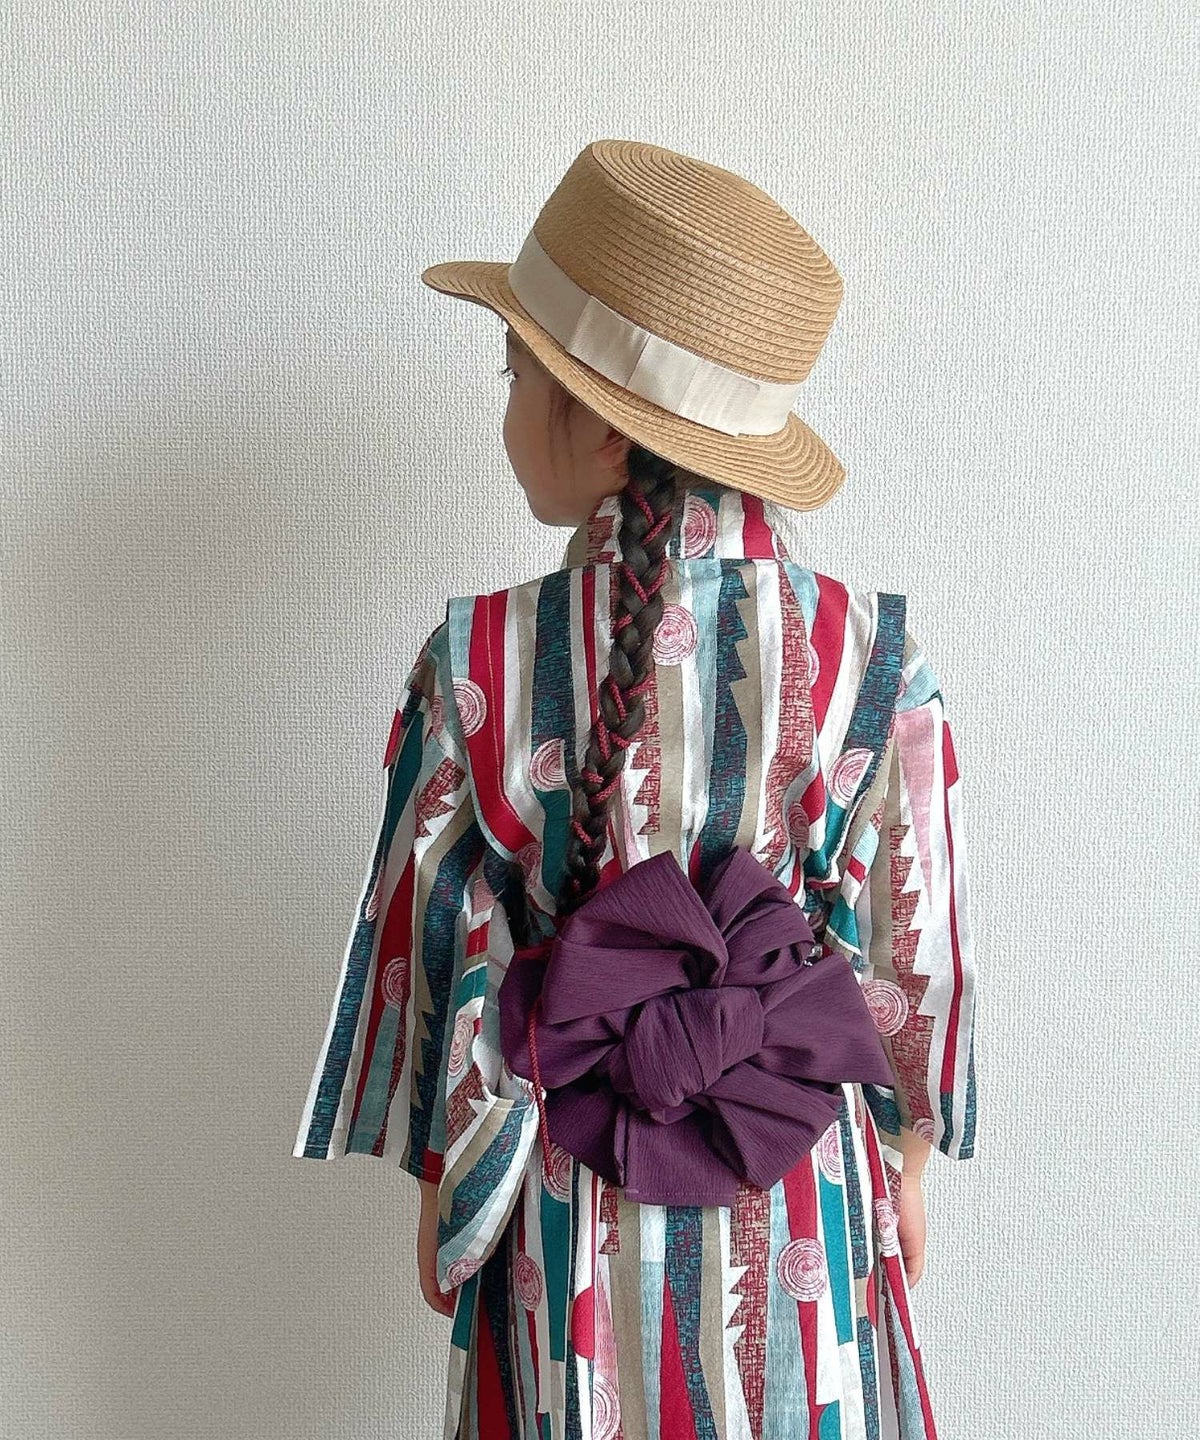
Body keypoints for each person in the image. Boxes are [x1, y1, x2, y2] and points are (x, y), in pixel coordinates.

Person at [293, 140, 979, 1440]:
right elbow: (911, 951)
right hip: (797, 1177)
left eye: (515, 378)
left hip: (568, 1196)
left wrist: (445, 1180)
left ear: (604, 428)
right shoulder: (873, 660)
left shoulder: (480, 659)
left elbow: (438, 945)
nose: (506, 412)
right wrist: (904, 1157)